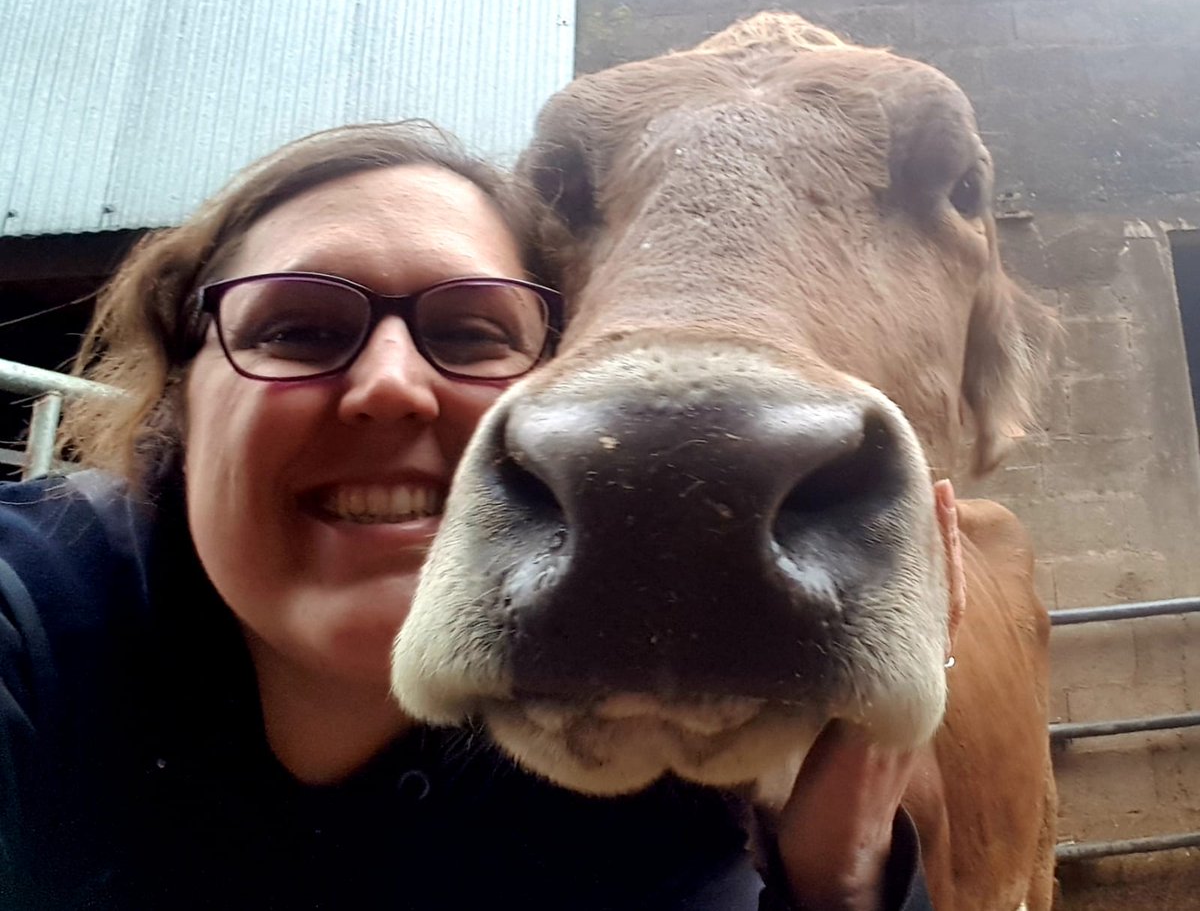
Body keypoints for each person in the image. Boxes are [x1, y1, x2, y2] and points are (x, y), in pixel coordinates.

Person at [0, 121, 933, 910]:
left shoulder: (637, 797)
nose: (392, 386)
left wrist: (841, 882)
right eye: (299, 329)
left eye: (470, 334)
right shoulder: (33, 614)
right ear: (182, 405)